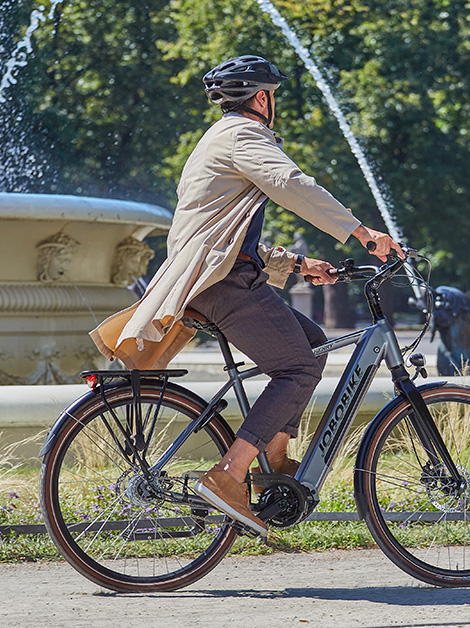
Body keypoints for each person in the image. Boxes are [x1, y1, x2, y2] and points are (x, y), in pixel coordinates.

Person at [88, 55, 401, 538]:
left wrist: (297, 265)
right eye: (273, 96)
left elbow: (224, 235)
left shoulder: (219, 139)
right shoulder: (244, 135)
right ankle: (231, 474)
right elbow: (291, 185)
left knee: (311, 345)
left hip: (223, 277)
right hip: (225, 285)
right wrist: (361, 232)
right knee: (296, 367)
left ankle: (272, 466)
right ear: (262, 98)